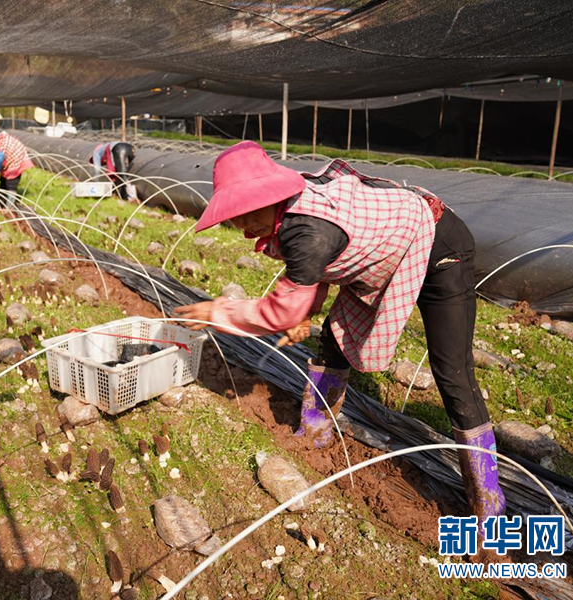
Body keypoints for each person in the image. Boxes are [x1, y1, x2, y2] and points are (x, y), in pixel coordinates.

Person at [176, 141, 505, 536]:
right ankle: (313, 433)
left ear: (273, 195)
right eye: (235, 217)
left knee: (452, 373)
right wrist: (301, 311)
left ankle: (489, 502)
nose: (245, 226)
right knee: (334, 338)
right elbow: (311, 282)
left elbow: (285, 307)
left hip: (439, 248)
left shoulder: (307, 229)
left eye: (250, 211)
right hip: (381, 257)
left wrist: (220, 312)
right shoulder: (290, 222)